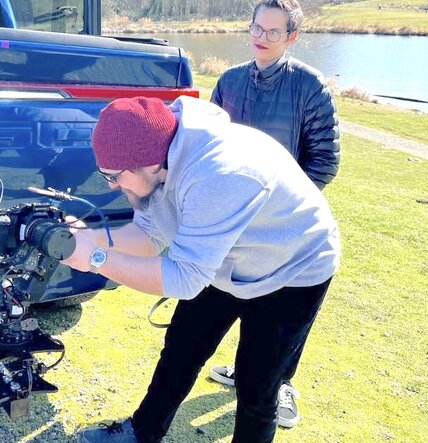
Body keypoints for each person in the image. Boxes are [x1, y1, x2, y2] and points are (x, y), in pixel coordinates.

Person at [61, 95, 340, 443]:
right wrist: (89, 240)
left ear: (148, 165)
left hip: (294, 267)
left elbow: (185, 278)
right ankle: (142, 432)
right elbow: (148, 235)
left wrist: (96, 260)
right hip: (222, 257)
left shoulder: (221, 172)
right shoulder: (157, 157)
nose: (112, 185)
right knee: (180, 349)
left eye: (115, 176)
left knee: (257, 383)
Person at [209, 0, 341, 427]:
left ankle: (281, 382)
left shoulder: (311, 86)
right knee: (233, 294)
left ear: (292, 38)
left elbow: (324, 161)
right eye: (256, 28)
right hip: (233, 222)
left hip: (288, 228)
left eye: (272, 32)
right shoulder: (228, 81)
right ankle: (246, 371)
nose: (261, 38)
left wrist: (281, 208)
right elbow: (213, 149)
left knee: (283, 311)